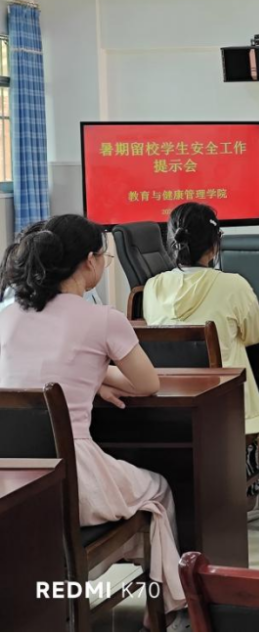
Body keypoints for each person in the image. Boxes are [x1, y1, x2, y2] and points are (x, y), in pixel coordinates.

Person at [0, 216, 186, 617]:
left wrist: (94, 377)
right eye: (105, 257)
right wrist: (99, 375)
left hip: (13, 483)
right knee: (158, 491)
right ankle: (166, 609)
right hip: (74, 483)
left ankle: (49, 598)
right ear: (89, 261)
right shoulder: (102, 319)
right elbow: (147, 383)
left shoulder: (7, 315)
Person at [142, 203, 259, 521]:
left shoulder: (153, 287)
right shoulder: (232, 284)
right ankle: (255, 493)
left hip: (171, 405)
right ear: (215, 244)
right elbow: (257, 333)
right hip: (222, 405)